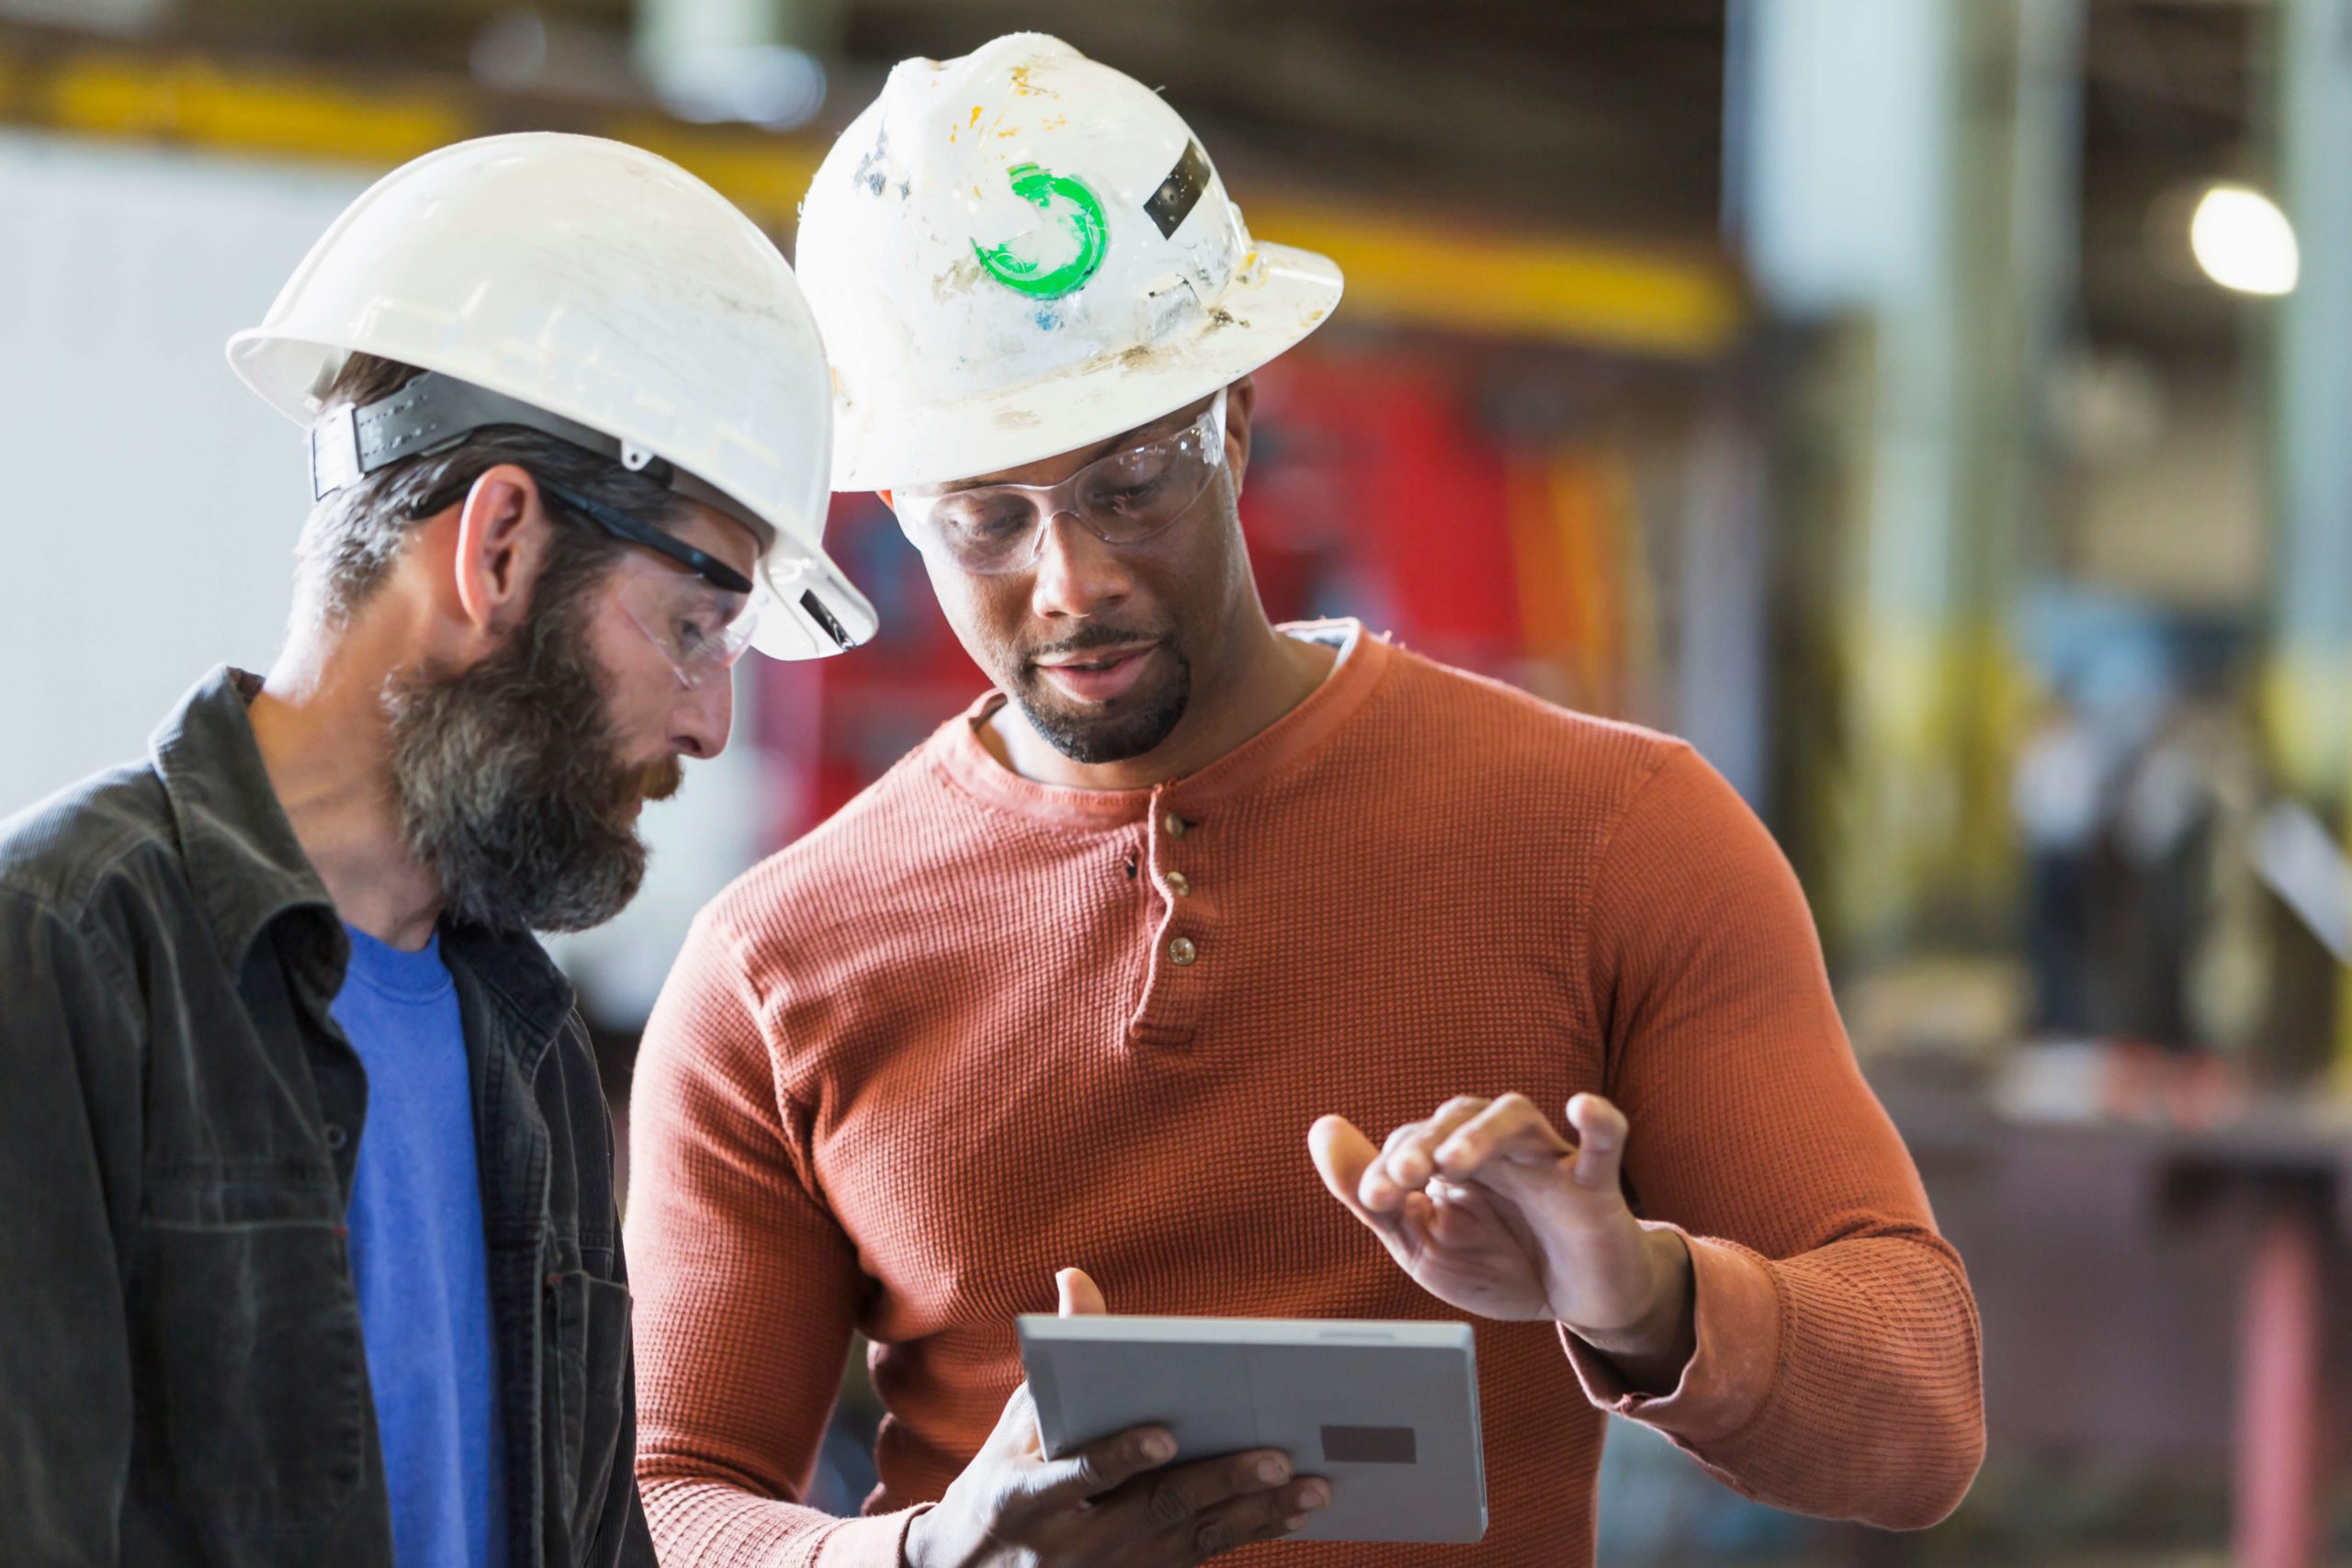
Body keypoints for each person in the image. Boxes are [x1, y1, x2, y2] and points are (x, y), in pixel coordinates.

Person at [625, 34, 1984, 1568]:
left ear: (1240, 419)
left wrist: (1642, 1292)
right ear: (895, 514)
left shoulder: (1616, 840)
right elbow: (656, 1502)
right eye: (987, 521)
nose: (1076, 580)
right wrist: (924, 1561)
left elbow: (1922, 1415)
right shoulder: (780, 964)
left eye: (1132, 481)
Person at [0, 134, 874, 1568]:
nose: (713, 721)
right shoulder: (65, 958)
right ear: (504, 550)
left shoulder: (524, 1045)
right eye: (695, 627)